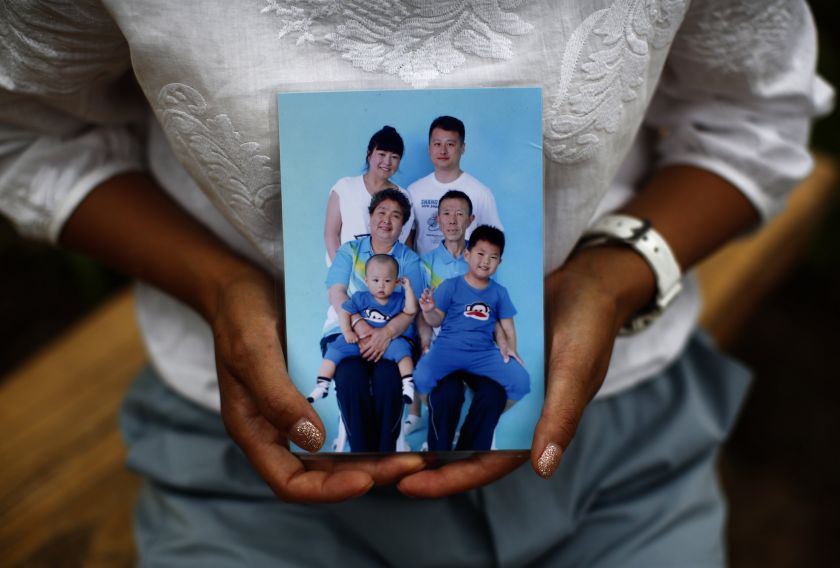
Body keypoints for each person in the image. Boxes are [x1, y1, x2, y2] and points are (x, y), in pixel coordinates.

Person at [0, 2, 832, 566]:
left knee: (444, 372)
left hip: (614, 441)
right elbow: (30, 136)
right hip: (253, 458)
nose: (414, 197)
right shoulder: (357, 232)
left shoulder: (453, 236)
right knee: (385, 369)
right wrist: (227, 290)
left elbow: (749, 121)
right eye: (398, 178)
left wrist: (608, 280)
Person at [323, 189, 424, 452]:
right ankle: (362, 454)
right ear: (370, 217)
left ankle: (386, 454)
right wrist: (360, 325)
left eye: (396, 216)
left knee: (388, 381)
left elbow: (411, 309)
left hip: (395, 340)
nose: (387, 220)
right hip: (346, 333)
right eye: (381, 212)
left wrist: (386, 333)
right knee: (350, 378)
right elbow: (337, 292)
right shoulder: (350, 251)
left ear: (403, 225)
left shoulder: (409, 259)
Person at [416, 225, 529, 410]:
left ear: (499, 262)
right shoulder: (450, 286)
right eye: (481, 254)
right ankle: (437, 411)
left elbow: (508, 327)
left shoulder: (499, 292)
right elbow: (436, 320)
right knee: (424, 378)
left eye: (493, 257)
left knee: (520, 380)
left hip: (482, 353)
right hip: (450, 349)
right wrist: (429, 310)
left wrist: (510, 351)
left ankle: (480, 417)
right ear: (467, 255)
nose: (486, 261)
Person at [308, 254, 417, 406]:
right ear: (366, 281)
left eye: (387, 281)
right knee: (334, 349)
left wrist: (408, 289)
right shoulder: (360, 298)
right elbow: (344, 312)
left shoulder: (398, 299)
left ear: (396, 282)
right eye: (376, 280)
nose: (381, 286)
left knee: (403, 350)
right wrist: (347, 332)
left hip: (386, 344)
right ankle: (322, 384)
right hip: (359, 340)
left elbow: (411, 310)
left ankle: (408, 384)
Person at [408, 116, 504, 255]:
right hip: (424, 268)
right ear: (429, 148)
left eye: (450, 144)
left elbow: (494, 240)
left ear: (462, 148)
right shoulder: (414, 191)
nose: (443, 151)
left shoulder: (480, 193)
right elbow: (407, 237)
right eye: (437, 144)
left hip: (465, 268)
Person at [324, 126, 414, 263]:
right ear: (369, 154)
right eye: (382, 154)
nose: (387, 162)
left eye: (394, 157)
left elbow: (403, 241)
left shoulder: (403, 196)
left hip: (387, 274)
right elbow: (331, 234)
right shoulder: (345, 187)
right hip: (348, 271)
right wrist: (342, 270)